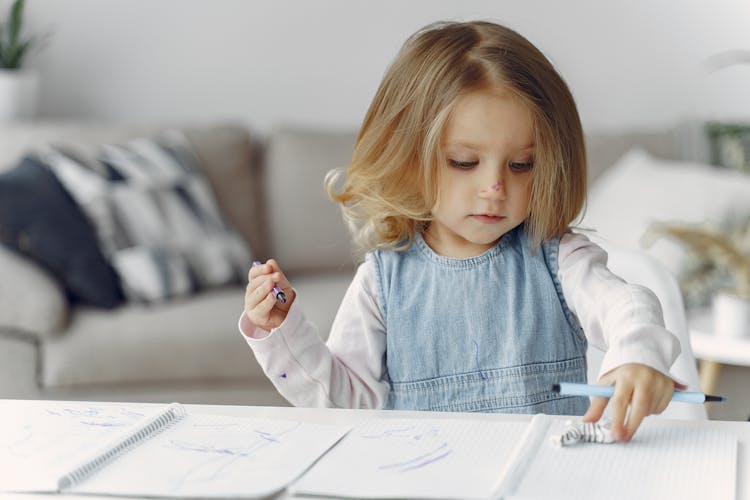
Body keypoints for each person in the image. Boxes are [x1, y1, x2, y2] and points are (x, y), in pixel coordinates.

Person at [240, 20, 683, 442]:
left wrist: (638, 356)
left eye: (521, 165)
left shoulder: (559, 261)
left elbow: (628, 305)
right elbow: (343, 403)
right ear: (408, 157)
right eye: (464, 162)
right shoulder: (382, 282)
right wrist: (284, 331)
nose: (494, 189)